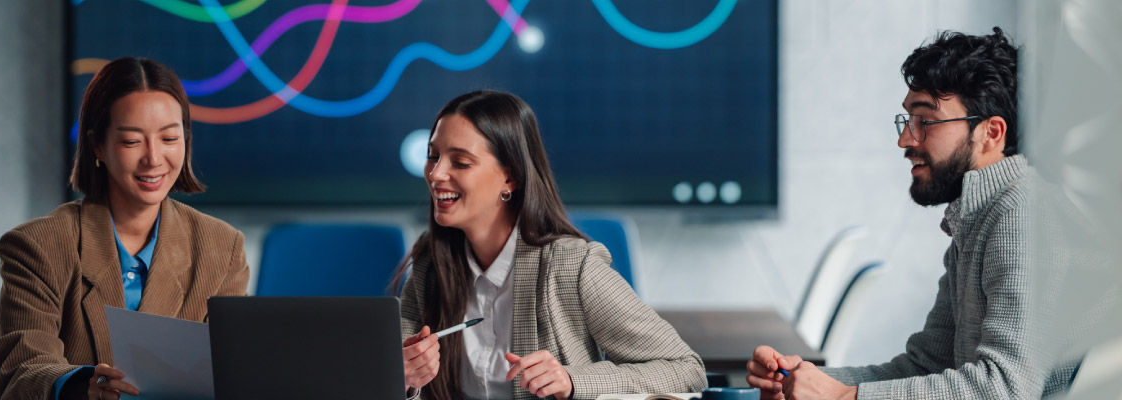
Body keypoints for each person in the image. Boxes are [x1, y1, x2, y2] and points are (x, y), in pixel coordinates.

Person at [745, 27, 1075, 400]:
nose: (905, 140)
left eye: (926, 121)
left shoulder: (1023, 215)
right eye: (907, 120)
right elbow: (925, 367)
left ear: (991, 133)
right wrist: (800, 380)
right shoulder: (978, 221)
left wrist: (844, 397)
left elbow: (1004, 388)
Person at [394, 90, 706, 400]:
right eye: (433, 156)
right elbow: (386, 376)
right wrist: (403, 379)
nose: (436, 174)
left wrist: (572, 379)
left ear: (510, 179)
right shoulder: (430, 265)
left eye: (460, 162)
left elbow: (685, 369)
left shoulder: (572, 267)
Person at [0, 57, 250, 400]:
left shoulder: (221, 247)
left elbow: (230, 372)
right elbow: (20, 369)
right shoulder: (38, 245)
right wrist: (82, 387)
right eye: (131, 142)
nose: (154, 158)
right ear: (98, 146)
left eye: (169, 138)